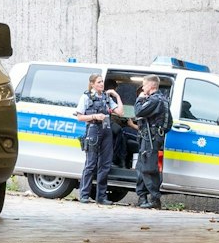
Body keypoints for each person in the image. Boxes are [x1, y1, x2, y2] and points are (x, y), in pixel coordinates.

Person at [73, 72, 120, 204]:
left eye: (102, 81)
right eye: (99, 82)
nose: (101, 84)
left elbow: (120, 112)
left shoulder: (106, 97)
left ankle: (101, 197)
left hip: (106, 130)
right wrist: (94, 116)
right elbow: (80, 117)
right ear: (92, 84)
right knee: (91, 164)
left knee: (105, 165)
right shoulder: (86, 97)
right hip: (93, 130)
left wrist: (116, 95)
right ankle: (84, 195)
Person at [129, 74, 171, 209]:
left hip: (150, 139)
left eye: (144, 84)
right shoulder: (163, 99)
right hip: (150, 137)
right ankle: (142, 198)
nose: (142, 88)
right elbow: (169, 123)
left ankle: (154, 199)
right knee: (141, 167)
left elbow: (138, 111)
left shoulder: (154, 100)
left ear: (151, 85)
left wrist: (139, 99)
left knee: (148, 168)